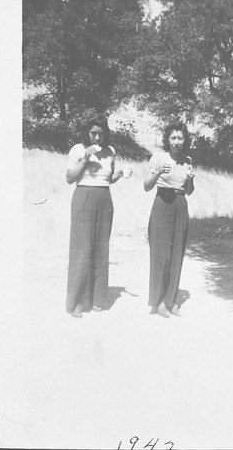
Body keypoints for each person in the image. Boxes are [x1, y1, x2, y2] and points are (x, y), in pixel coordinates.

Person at [65, 114, 132, 318]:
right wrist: (85, 158)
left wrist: (120, 174)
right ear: (87, 132)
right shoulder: (78, 149)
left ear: (106, 135)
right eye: (93, 133)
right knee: (82, 249)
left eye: (101, 134)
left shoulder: (110, 151)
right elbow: (69, 178)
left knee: (100, 248)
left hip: (104, 199)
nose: (97, 138)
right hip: (83, 197)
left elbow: (107, 178)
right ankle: (76, 302)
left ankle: (97, 298)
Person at [144, 121, 195, 317]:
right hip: (162, 204)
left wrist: (190, 179)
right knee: (160, 254)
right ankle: (157, 301)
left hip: (180, 205)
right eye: (173, 138)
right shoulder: (158, 157)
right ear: (167, 139)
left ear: (185, 140)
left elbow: (189, 191)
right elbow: (146, 186)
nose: (176, 142)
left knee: (176, 254)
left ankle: (170, 301)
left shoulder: (187, 160)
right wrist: (157, 172)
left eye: (180, 138)